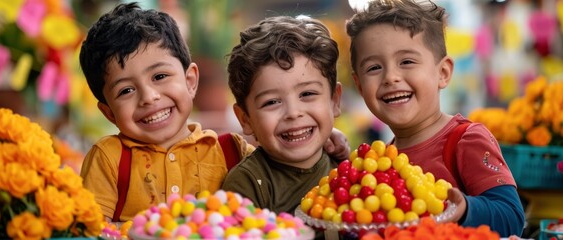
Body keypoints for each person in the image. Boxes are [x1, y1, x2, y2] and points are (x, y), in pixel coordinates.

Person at [78, 3, 350, 222]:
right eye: (126, 91)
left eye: (159, 76)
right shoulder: (110, 159)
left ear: (190, 81)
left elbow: (280, 150)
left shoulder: (228, 151)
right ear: (109, 113)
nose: (149, 97)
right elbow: (89, 229)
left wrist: (327, 133)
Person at [345, 0, 525, 237]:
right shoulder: (379, 162)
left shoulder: (466, 140)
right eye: (374, 68)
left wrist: (467, 209)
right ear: (359, 85)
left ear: (443, 73)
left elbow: (512, 217)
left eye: (406, 61)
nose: (391, 77)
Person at [222, 15, 342, 218]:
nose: (293, 113)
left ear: (334, 101)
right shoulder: (247, 184)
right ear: (245, 119)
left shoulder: (349, 168)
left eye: (307, 94)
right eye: (271, 102)